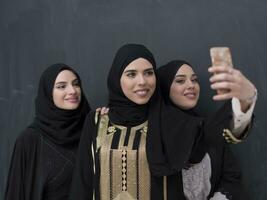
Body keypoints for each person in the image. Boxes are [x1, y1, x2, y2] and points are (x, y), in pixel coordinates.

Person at [147, 60, 256, 199]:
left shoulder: (203, 126)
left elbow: (231, 177)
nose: (191, 85)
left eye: (194, 80)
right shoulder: (153, 131)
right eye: (180, 81)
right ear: (164, 86)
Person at [5, 63, 91, 200]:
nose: (73, 91)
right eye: (61, 86)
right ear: (48, 93)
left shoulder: (91, 131)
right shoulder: (29, 140)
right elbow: (16, 193)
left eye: (76, 84)